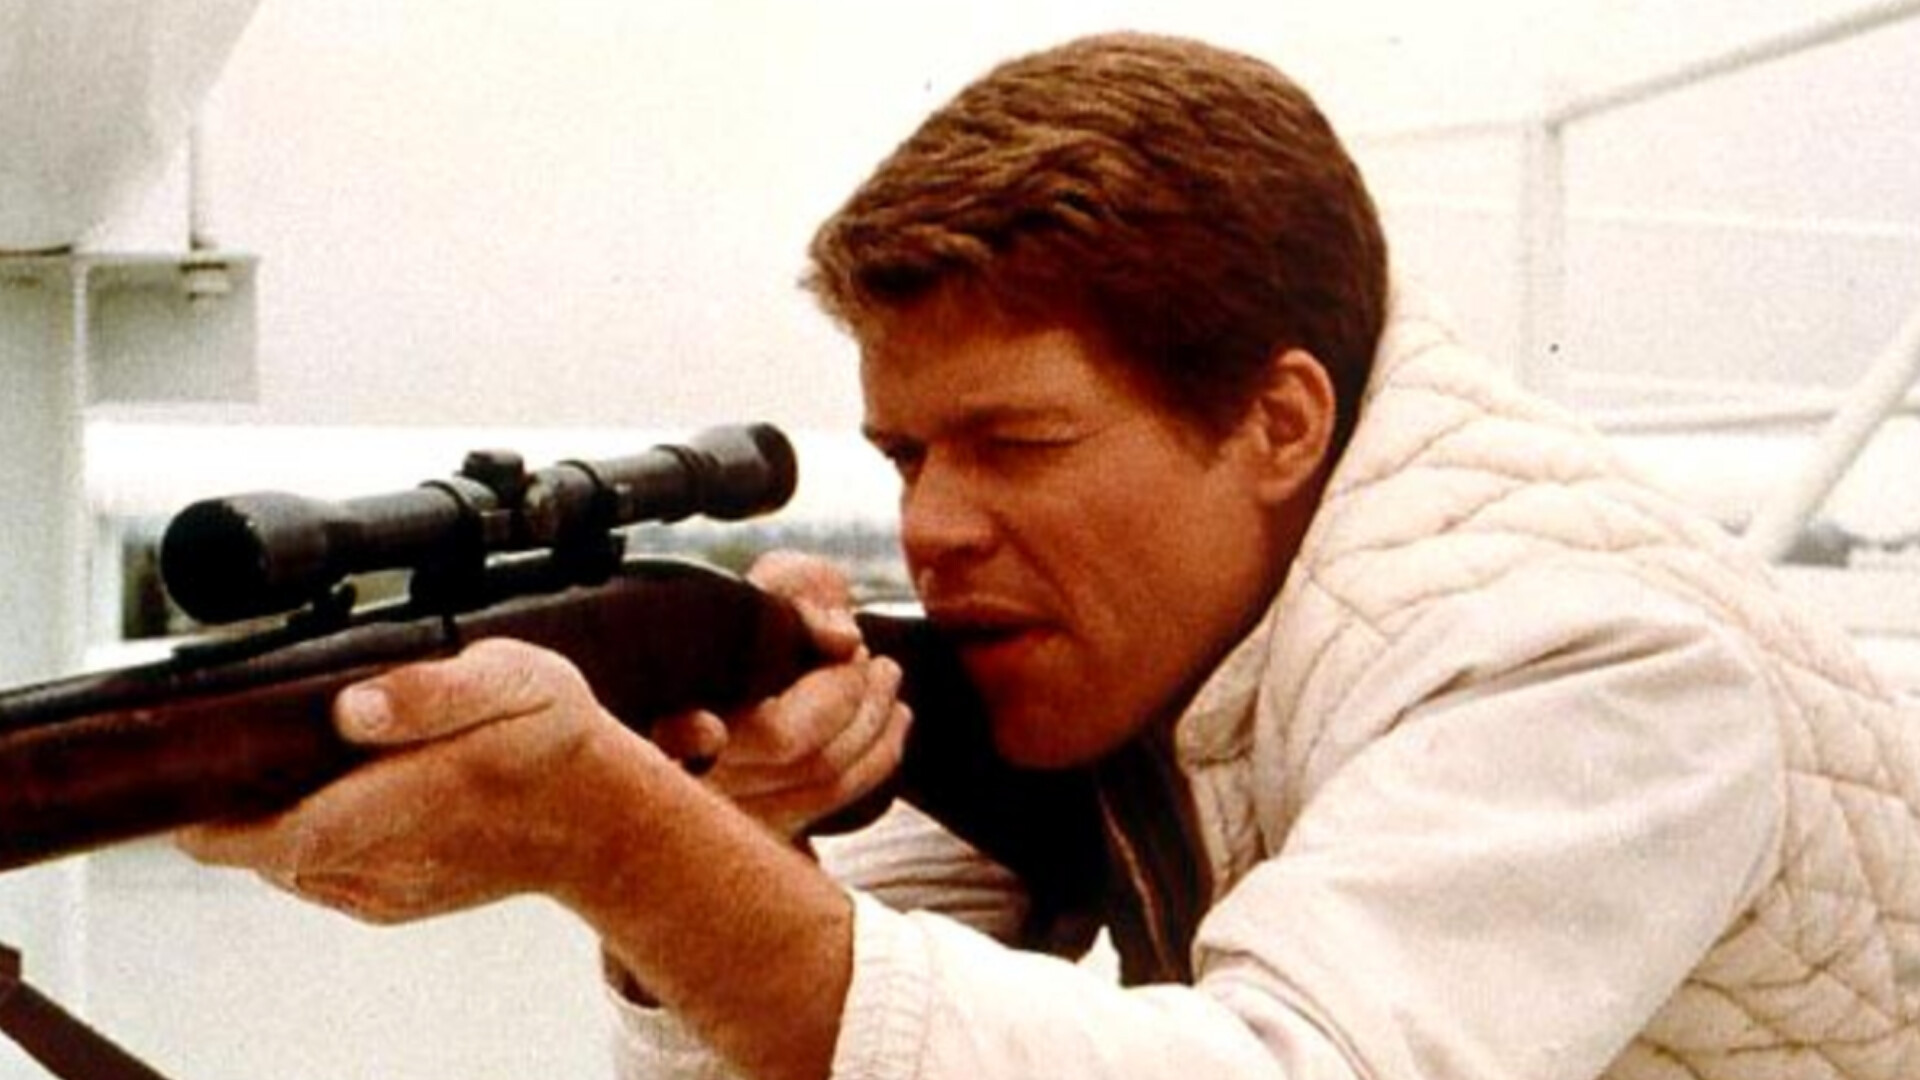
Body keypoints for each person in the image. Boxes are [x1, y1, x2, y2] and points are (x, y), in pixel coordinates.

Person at [180, 31, 1920, 1080]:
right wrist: (728, 845)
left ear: (1280, 421)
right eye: (904, 456)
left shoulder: (1581, 655)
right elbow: (846, 1042)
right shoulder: (1124, 636)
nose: (932, 525)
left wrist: (621, 841)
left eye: (1014, 445)